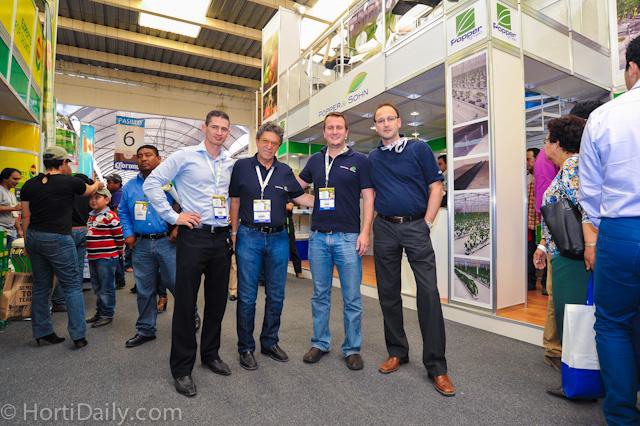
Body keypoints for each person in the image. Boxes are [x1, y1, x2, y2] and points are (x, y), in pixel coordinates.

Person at [144, 110, 235, 398]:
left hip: (221, 238)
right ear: (203, 128)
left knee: (217, 301)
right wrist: (174, 217)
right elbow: (152, 183)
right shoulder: (185, 156)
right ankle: (182, 369)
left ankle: (210, 354)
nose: (219, 132)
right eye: (215, 127)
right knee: (185, 302)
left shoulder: (229, 162)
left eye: (224, 129)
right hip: (193, 236)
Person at [368, 103, 454, 396]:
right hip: (385, 228)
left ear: (399, 122)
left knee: (428, 292)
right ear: (376, 126)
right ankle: (397, 351)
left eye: (390, 118)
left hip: (416, 226)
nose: (385, 123)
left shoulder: (419, 149)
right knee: (388, 292)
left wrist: (427, 222)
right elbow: (369, 194)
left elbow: (436, 187)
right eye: (380, 120)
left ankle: (437, 367)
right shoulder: (373, 158)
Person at [579, 35, 640, 424]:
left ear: (632, 67)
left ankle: (621, 415)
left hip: (621, 232)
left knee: (614, 323)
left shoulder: (605, 116)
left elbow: (590, 189)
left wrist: (597, 234)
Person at [296, 112, 374, 371]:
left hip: (348, 238)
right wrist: (312, 201)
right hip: (318, 238)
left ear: (346, 131)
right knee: (320, 295)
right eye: (330, 127)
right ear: (324, 132)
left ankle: (352, 348)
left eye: (339, 127)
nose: (334, 131)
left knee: (352, 297)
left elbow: (369, 198)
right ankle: (320, 342)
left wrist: (365, 232)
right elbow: (296, 188)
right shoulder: (315, 160)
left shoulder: (359, 161)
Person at [229, 122, 309, 371]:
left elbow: (300, 197)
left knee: (276, 294)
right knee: (247, 296)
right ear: (257, 141)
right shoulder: (241, 167)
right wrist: (234, 233)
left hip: (278, 238)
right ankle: (246, 347)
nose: (269, 146)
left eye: (274, 143)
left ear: (279, 146)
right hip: (249, 236)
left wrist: (334, 200)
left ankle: (269, 342)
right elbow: (234, 201)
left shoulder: (284, 171)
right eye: (265, 141)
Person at [532, 116, 594, 397]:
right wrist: (544, 246)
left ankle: (581, 382)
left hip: (573, 257)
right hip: (565, 253)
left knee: (573, 319)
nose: (545, 145)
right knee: (569, 315)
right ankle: (577, 377)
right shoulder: (569, 168)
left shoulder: (573, 167)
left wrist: (590, 245)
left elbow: (586, 209)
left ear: (558, 143)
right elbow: (560, 216)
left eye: (547, 140)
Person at [20, 146, 102, 348]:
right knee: (72, 286)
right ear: (63, 163)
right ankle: (78, 335)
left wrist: (27, 242)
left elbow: (26, 216)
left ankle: (43, 332)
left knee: (41, 286)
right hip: (58, 238)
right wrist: (98, 183)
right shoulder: (70, 182)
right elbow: (90, 190)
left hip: (34, 236)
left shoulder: (29, 184)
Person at [119, 145, 177, 348]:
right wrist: (128, 234)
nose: (143, 159)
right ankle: (145, 329)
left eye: (148, 155)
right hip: (141, 244)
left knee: (177, 284)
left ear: (159, 159)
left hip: (168, 242)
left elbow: (186, 203)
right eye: (140, 156)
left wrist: (178, 227)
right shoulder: (130, 187)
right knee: (144, 289)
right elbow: (123, 212)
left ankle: (190, 316)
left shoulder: (170, 182)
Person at [51, 173, 94, 312]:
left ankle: (59, 300)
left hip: (67, 231)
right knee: (78, 266)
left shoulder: (66, 193)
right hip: (84, 231)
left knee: (63, 267)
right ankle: (74, 297)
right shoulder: (88, 196)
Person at [85, 188, 124, 328]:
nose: (93, 200)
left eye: (97, 197)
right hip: (93, 256)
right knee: (97, 286)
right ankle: (100, 312)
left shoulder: (110, 216)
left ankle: (107, 314)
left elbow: (119, 235)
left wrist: (119, 251)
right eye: (91, 198)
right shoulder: (91, 215)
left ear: (107, 200)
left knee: (106, 287)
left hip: (106, 257)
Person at [526, 148, 546, 293]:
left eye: (529, 159)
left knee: (544, 253)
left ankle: (545, 285)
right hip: (530, 225)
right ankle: (530, 283)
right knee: (530, 254)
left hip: (541, 225)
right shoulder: (528, 179)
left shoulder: (543, 177)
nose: (526, 163)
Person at [107, 174, 126, 290]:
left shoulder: (118, 194)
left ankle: (119, 279)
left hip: (116, 228)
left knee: (116, 254)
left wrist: (113, 227)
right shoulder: (117, 193)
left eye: (110, 183)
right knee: (118, 254)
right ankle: (120, 279)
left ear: (117, 184)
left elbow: (116, 212)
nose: (107, 185)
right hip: (119, 228)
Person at [0, 168, 23, 249]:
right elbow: (13, 209)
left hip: (11, 231)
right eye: (15, 179)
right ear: (5, 178)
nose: (17, 182)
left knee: (8, 255)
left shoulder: (11, 194)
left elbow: (14, 214)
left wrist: (19, 230)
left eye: (19, 179)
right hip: (1, 230)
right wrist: (13, 208)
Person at [285, 201, 303, 279]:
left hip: (288, 226)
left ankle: (298, 271)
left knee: (293, 249)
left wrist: (276, 204)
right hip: (276, 225)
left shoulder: (288, 196)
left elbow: (289, 207)